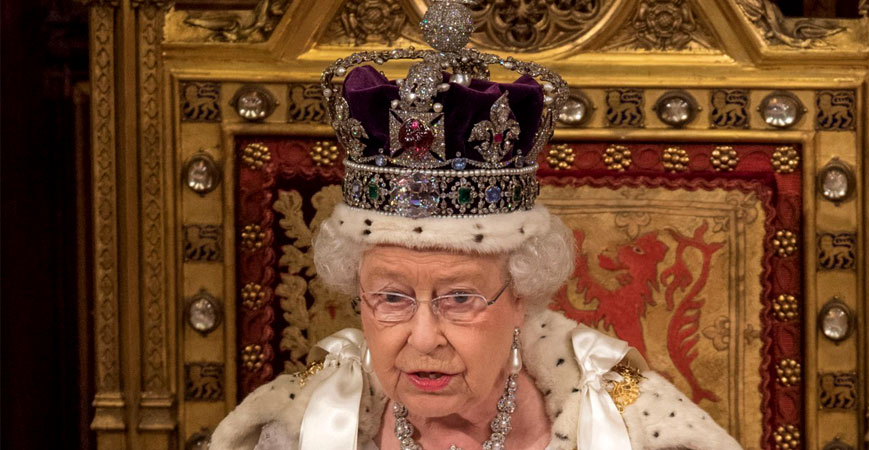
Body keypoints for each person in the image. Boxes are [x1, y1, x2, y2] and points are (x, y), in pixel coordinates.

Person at [210, 2, 742, 449]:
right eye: (391, 297)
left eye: (460, 298)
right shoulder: (302, 419)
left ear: (520, 298)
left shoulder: (627, 412)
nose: (423, 338)